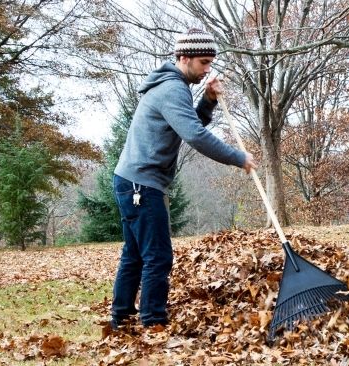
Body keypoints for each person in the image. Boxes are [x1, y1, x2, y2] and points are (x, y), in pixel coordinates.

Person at [109, 28, 254, 331]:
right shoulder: (172, 88)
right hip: (141, 183)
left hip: (131, 179)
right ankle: (153, 321)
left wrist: (210, 100)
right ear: (184, 58)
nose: (207, 69)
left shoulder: (174, 86)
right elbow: (195, 135)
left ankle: (122, 316)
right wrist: (237, 158)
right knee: (157, 256)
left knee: (134, 254)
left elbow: (188, 124)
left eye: (210, 63)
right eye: (203, 62)